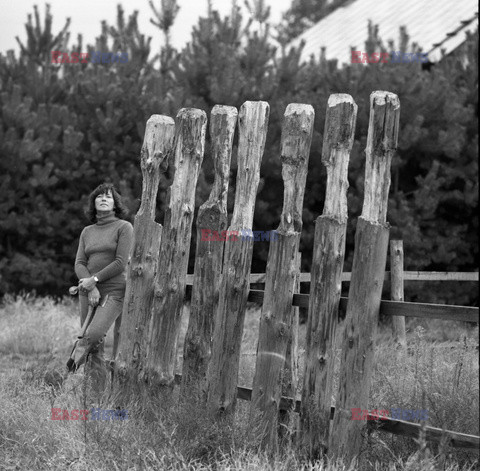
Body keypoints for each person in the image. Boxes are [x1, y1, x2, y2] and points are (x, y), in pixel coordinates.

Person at [73, 182, 134, 394]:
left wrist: (95, 280)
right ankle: (94, 397)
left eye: (108, 196)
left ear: (115, 203)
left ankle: (73, 358)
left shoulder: (124, 227)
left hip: (114, 291)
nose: (104, 199)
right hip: (87, 292)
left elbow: (120, 262)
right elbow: (79, 263)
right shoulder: (87, 231)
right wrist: (90, 287)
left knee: (93, 335)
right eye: (99, 196)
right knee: (95, 349)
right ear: (94, 202)